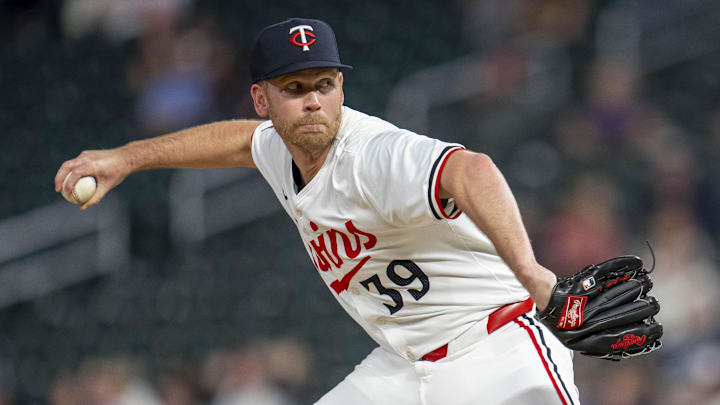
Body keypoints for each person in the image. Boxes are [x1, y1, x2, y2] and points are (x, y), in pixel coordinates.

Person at [55, 18, 579, 405]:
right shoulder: (280, 148)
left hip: (495, 346)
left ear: (341, 89)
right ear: (261, 100)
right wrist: (127, 158)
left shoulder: (373, 153)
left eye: (324, 85)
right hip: (403, 367)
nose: (312, 102)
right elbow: (239, 141)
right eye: (295, 89)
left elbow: (472, 170)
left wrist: (532, 273)